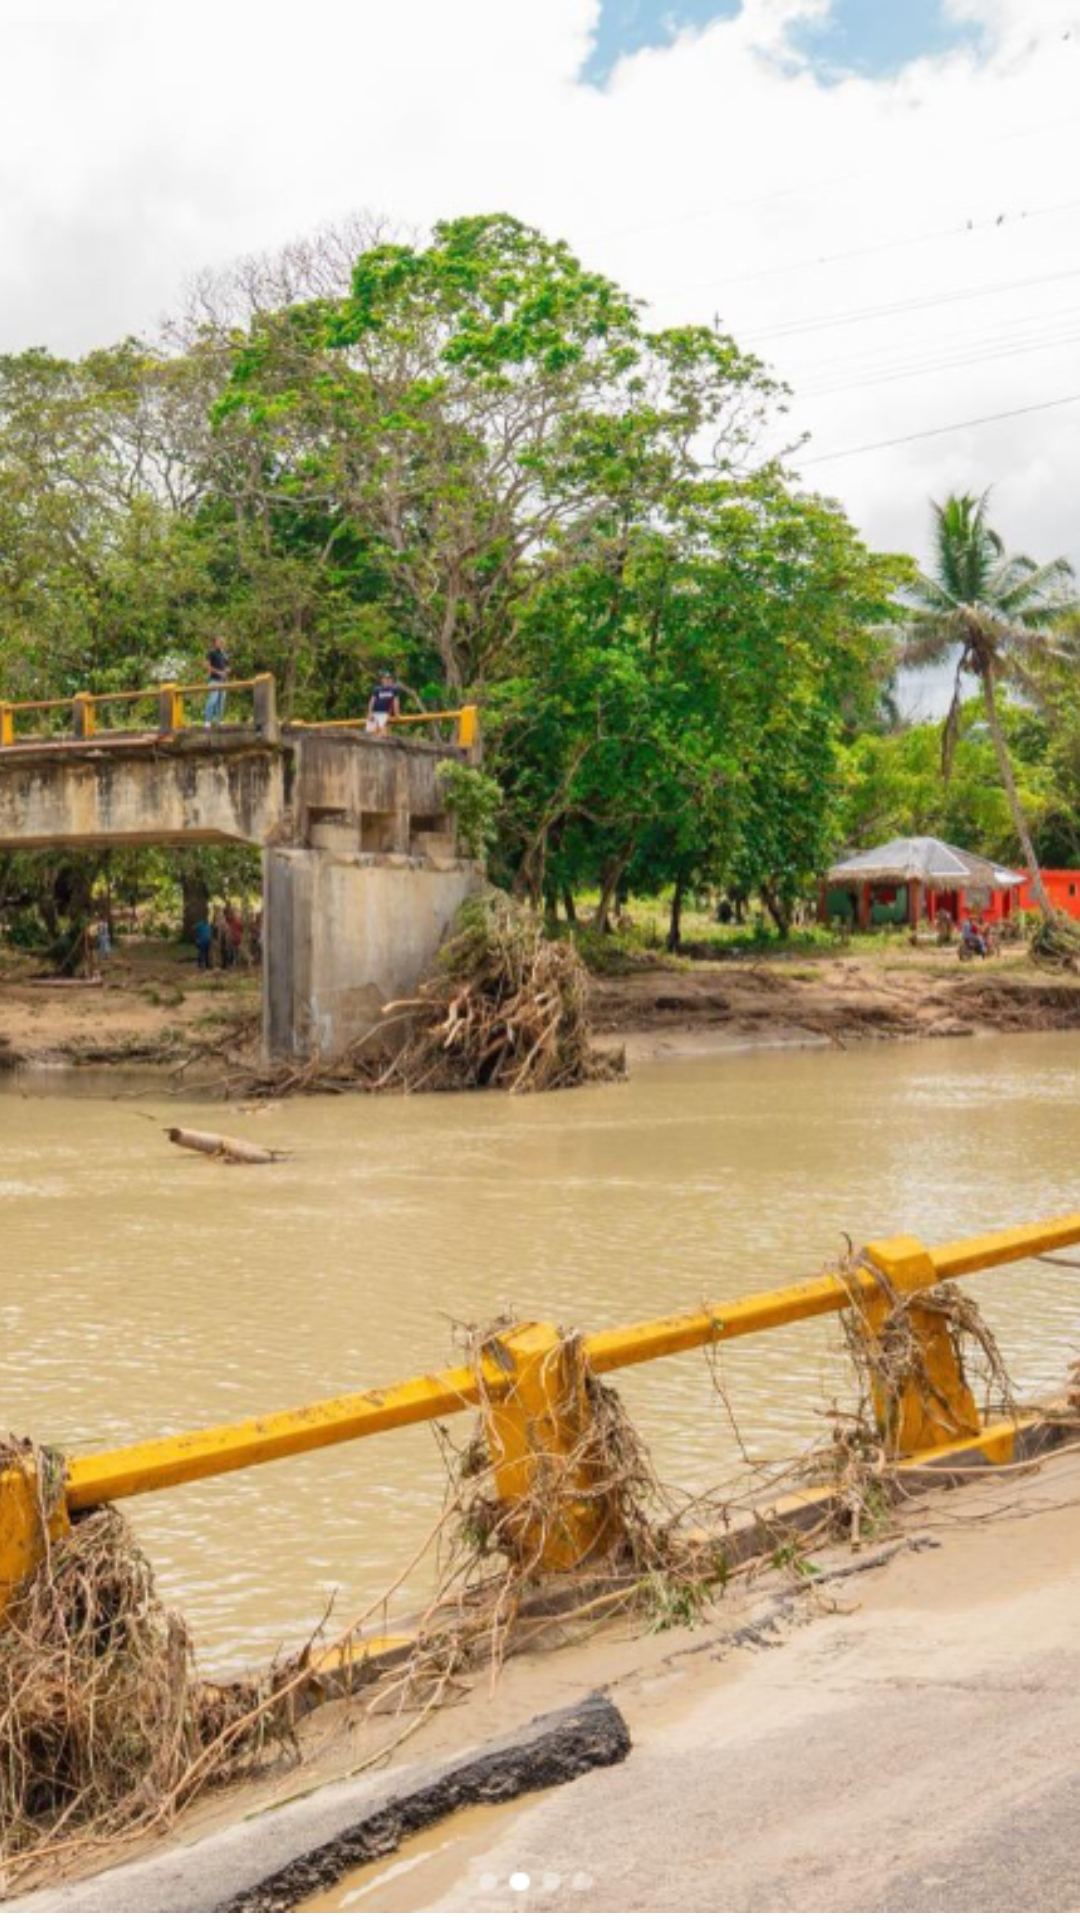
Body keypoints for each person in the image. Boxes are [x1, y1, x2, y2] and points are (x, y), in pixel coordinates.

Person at [204, 638, 230, 726]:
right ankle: (207, 720)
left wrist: (227, 671)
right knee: (212, 700)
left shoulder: (225, 655)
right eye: (220, 642)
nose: (222, 643)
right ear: (215, 643)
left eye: (223, 642)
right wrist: (218, 672)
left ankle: (219, 720)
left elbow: (227, 666)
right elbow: (206, 666)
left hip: (224, 681)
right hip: (214, 680)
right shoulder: (211, 653)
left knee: (221, 701)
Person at [366, 670, 400, 734]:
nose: (387, 680)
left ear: (391, 680)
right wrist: (369, 713)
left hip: (385, 714)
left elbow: (396, 702)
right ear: (382, 680)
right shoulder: (377, 689)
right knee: (370, 733)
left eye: (389, 679)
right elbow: (371, 702)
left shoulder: (394, 689)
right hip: (374, 713)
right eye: (385, 679)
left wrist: (397, 713)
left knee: (383, 733)